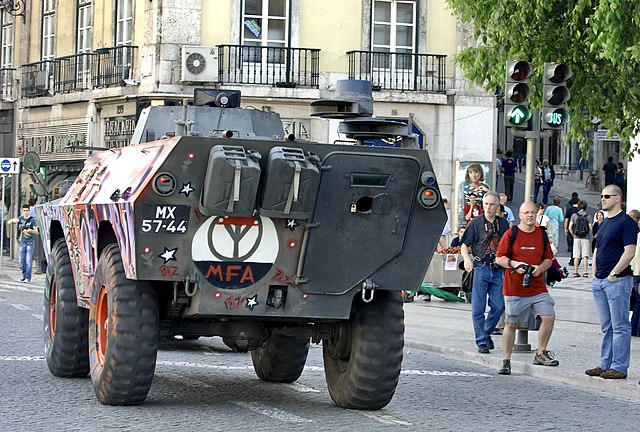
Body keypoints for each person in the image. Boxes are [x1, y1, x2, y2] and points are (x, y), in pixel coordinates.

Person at [495, 201, 558, 375]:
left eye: (532, 212)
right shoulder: (511, 234)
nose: (530, 215)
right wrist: (515, 264)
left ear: (536, 214)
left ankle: (541, 353)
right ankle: (506, 361)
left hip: (537, 286)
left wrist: (540, 269)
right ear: (520, 215)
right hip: (514, 287)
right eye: (526, 213)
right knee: (511, 324)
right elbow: (499, 258)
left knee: (549, 316)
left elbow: (548, 259)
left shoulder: (541, 234)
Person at [585, 185, 638, 380]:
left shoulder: (626, 223)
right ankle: (604, 363)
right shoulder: (605, 223)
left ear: (618, 198)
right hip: (600, 282)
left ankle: (619, 367)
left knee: (620, 326)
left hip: (618, 280)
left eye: (607, 196)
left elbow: (630, 251)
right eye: (601, 196)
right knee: (607, 326)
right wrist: (595, 275)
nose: (603, 199)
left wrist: (614, 273)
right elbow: (598, 250)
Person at [460, 192, 509, 354]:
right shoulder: (475, 223)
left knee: (499, 306)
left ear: (497, 206)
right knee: (478, 307)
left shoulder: (503, 224)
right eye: (486, 204)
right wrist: (467, 259)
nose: (488, 207)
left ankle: (486, 332)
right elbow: (464, 245)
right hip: (481, 267)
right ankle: (481, 341)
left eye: (492, 204)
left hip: (497, 269)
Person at [6, 204, 39, 283]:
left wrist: (29, 230)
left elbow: (36, 232)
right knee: (21, 261)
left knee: (28, 260)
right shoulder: (20, 218)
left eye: (26, 210)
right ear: (22, 211)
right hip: (22, 242)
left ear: (29, 211)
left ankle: (28, 277)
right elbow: (10, 221)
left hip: (30, 242)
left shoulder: (32, 220)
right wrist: (12, 220)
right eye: (24, 210)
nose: (25, 212)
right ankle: (24, 276)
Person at [569, 200, 592, 277]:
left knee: (576, 255)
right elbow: (590, 227)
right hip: (585, 237)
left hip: (576, 237)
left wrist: (573, 234)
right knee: (585, 255)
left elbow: (570, 227)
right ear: (586, 207)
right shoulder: (588, 216)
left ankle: (576, 271)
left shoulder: (574, 215)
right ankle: (585, 272)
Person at [628, 209, 640, 337]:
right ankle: (635, 328)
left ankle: (634, 328)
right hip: (637, 271)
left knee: (637, 301)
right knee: (638, 301)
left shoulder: (633, 234)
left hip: (634, 270)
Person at [564, 196, 580, 263]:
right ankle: (577, 258)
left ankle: (572, 259)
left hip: (571, 228)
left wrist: (566, 228)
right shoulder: (579, 211)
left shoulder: (569, 210)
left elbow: (566, 220)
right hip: (578, 229)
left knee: (572, 244)